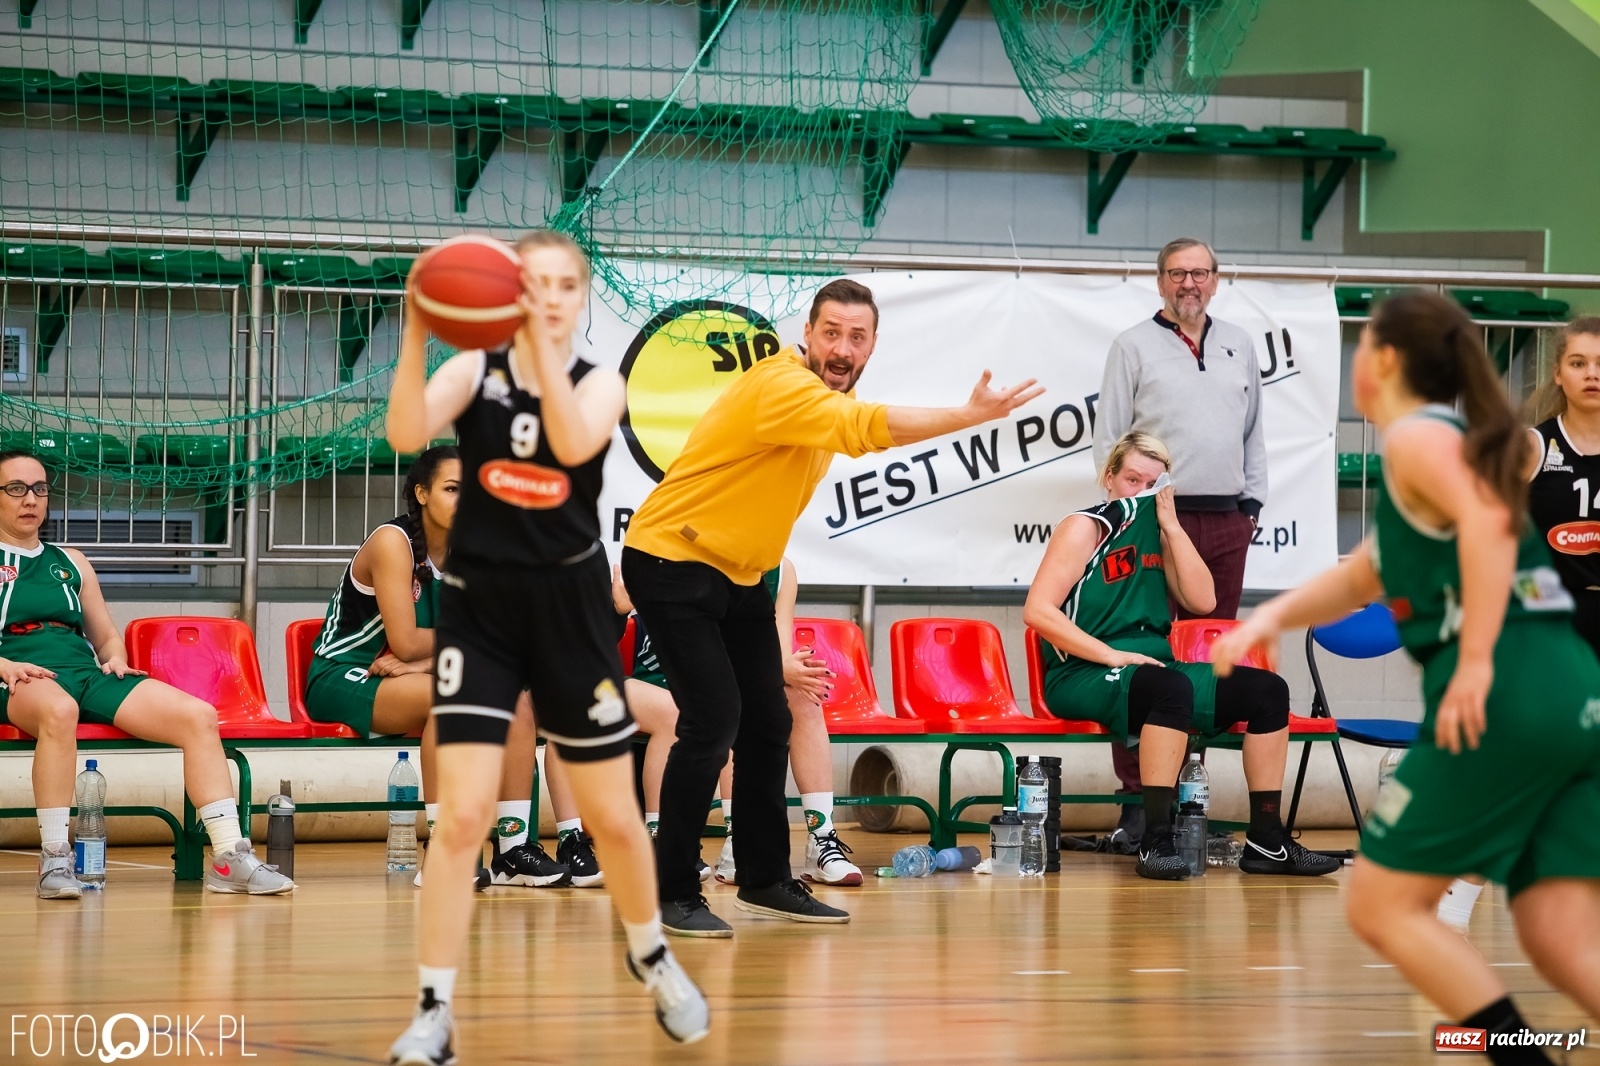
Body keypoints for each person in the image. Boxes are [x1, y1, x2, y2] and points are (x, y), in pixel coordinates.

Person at [1212, 291, 1600, 1065]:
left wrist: (1481, 660)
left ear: (1382, 361)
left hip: (1512, 685)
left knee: (1384, 903)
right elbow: (1368, 574)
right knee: (1560, 934)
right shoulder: (1447, 442)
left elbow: (1490, 527)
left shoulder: (1421, 437)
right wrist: (1268, 620)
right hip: (1569, 685)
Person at [624, 277, 1042, 938]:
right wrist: (968, 416)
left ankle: (764, 878)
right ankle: (668, 890)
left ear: (873, 343)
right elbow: (864, 427)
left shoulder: (818, 397)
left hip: (738, 574)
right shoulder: (781, 387)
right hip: (670, 561)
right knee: (714, 719)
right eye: (832, 333)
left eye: (858, 336)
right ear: (808, 334)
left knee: (768, 721)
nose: (843, 348)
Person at [385, 230, 708, 1065]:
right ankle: (433, 1009)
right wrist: (420, 328)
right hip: (478, 612)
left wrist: (534, 349)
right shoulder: (475, 372)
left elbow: (567, 445)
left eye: (567, 284)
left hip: (568, 610)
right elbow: (403, 431)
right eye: (536, 283)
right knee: (461, 818)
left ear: (581, 296)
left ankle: (652, 952)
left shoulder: (600, 383)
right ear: (510, 289)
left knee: (609, 818)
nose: (552, 295)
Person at [1024, 432, 1338, 881]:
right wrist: (1113, 656)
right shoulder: (1086, 526)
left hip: (1152, 667)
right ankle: (1155, 840)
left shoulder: (1161, 534)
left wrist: (1171, 527)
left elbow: (1203, 600)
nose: (1142, 491)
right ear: (1109, 478)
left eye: (1154, 483)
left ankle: (1267, 839)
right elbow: (1037, 611)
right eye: (1133, 479)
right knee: (1170, 688)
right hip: (1083, 670)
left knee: (1268, 690)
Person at [0, 450, 294, 899]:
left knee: (197, 715)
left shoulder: (71, 561)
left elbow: (106, 637)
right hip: (17, 673)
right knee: (60, 710)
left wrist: (115, 658)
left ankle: (229, 856)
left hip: (83, 671)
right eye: (16, 489)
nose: (31, 500)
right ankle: (56, 858)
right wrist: (6, 666)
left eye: (40, 489)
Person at [304, 445, 570, 889]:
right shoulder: (394, 542)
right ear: (422, 494)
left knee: (518, 701)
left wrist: (429, 663)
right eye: (451, 489)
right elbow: (406, 642)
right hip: (345, 673)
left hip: (419, 673)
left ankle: (512, 848)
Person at [1092, 238, 1267, 837]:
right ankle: (1139, 808)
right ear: (1160, 282)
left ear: (1216, 280)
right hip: (1154, 519)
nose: (1188, 283)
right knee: (1145, 652)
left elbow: (1254, 434)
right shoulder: (1132, 345)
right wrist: (1128, 511)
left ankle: (1189, 800)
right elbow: (1111, 437)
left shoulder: (1240, 344)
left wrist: (1252, 506)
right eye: (1176, 273)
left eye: (1199, 272)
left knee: (1207, 659)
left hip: (1224, 520)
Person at [1434, 317, 1600, 935]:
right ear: (1558, 373)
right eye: (1579, 362)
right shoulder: (1533, 447)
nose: (1592, 374)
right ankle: (1460, 892)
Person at [712, 558, 855, 887]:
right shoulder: (707, 560)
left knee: (805, 698)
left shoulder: (783, 570)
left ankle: (821, 840)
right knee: (734, 702)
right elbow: (708, 647)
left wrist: (788, 670)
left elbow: (774, 645)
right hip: (693, 673)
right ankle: (740, 838)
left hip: (750, 670)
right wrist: (775, 670)